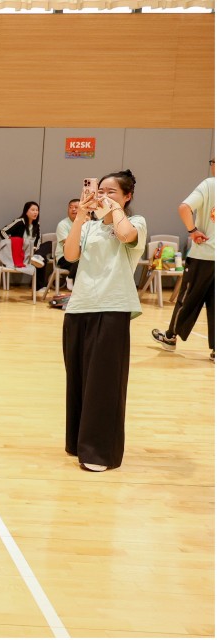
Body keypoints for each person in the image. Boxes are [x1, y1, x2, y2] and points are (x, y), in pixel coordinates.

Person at [63, 170, 147, 472]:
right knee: (78, 379)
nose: (104, 195)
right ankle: (78, 442)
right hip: (79, 307)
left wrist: (113, 209)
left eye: (112, 191)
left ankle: (100, 453)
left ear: (127, 196)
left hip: (113, 307)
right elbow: (70, 255)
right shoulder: (89, 227)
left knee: (105, 383)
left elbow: (125, 236)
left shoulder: (136, 223)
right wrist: (80, 217)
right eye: (101, 190)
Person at [151, 159, 215, 361]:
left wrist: (193, 230)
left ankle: (170, 337)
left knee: (187, 298)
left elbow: (184, 207)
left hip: (205, 254)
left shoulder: (210, 184)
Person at [0, 201, 48, 293]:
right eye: (33, 210)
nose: (35, 212)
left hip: (32, 251)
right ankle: (37, 258)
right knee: (42, 258)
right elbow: (2, 231)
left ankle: (39, 286)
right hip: (20, 251)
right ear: (26, 211)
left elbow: (38, 239)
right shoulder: (20, 222)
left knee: (48, 246)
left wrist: (36, 248)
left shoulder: (37, 224)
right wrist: (11, 242)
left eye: (37, 210)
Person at [55, 198, 80, 290]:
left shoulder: (86, 223)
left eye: (76, 207)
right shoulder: (63, 224)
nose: (73, 209)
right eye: (70, 207)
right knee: (80, 260)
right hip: (64, 257)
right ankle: (70, 278)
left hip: (81, 254)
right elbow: (68, 244)